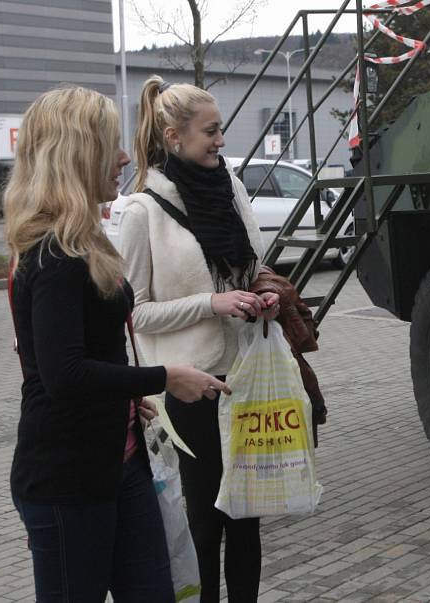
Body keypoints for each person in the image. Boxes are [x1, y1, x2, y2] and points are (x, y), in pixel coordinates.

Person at [4, 86, 227, 603]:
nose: (125, 157)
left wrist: (127, 399)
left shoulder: (85, 237)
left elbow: (90, 354)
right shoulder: (55, 252)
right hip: (67, 482)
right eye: (111, 146)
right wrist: (164, 377)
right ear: (75, 154)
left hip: (119, 463)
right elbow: (64, 375)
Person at [120, 75, 279, 603]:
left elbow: (251, 266)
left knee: (248, 517)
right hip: (192, 387)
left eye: (221, 130)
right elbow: (136, 314)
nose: (220, 141)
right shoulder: (143, 210)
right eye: (210, 131)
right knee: (207, 518)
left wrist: (260, 295)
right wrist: (210, 304)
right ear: (172, 136)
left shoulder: (230, 187)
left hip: (247, 375)